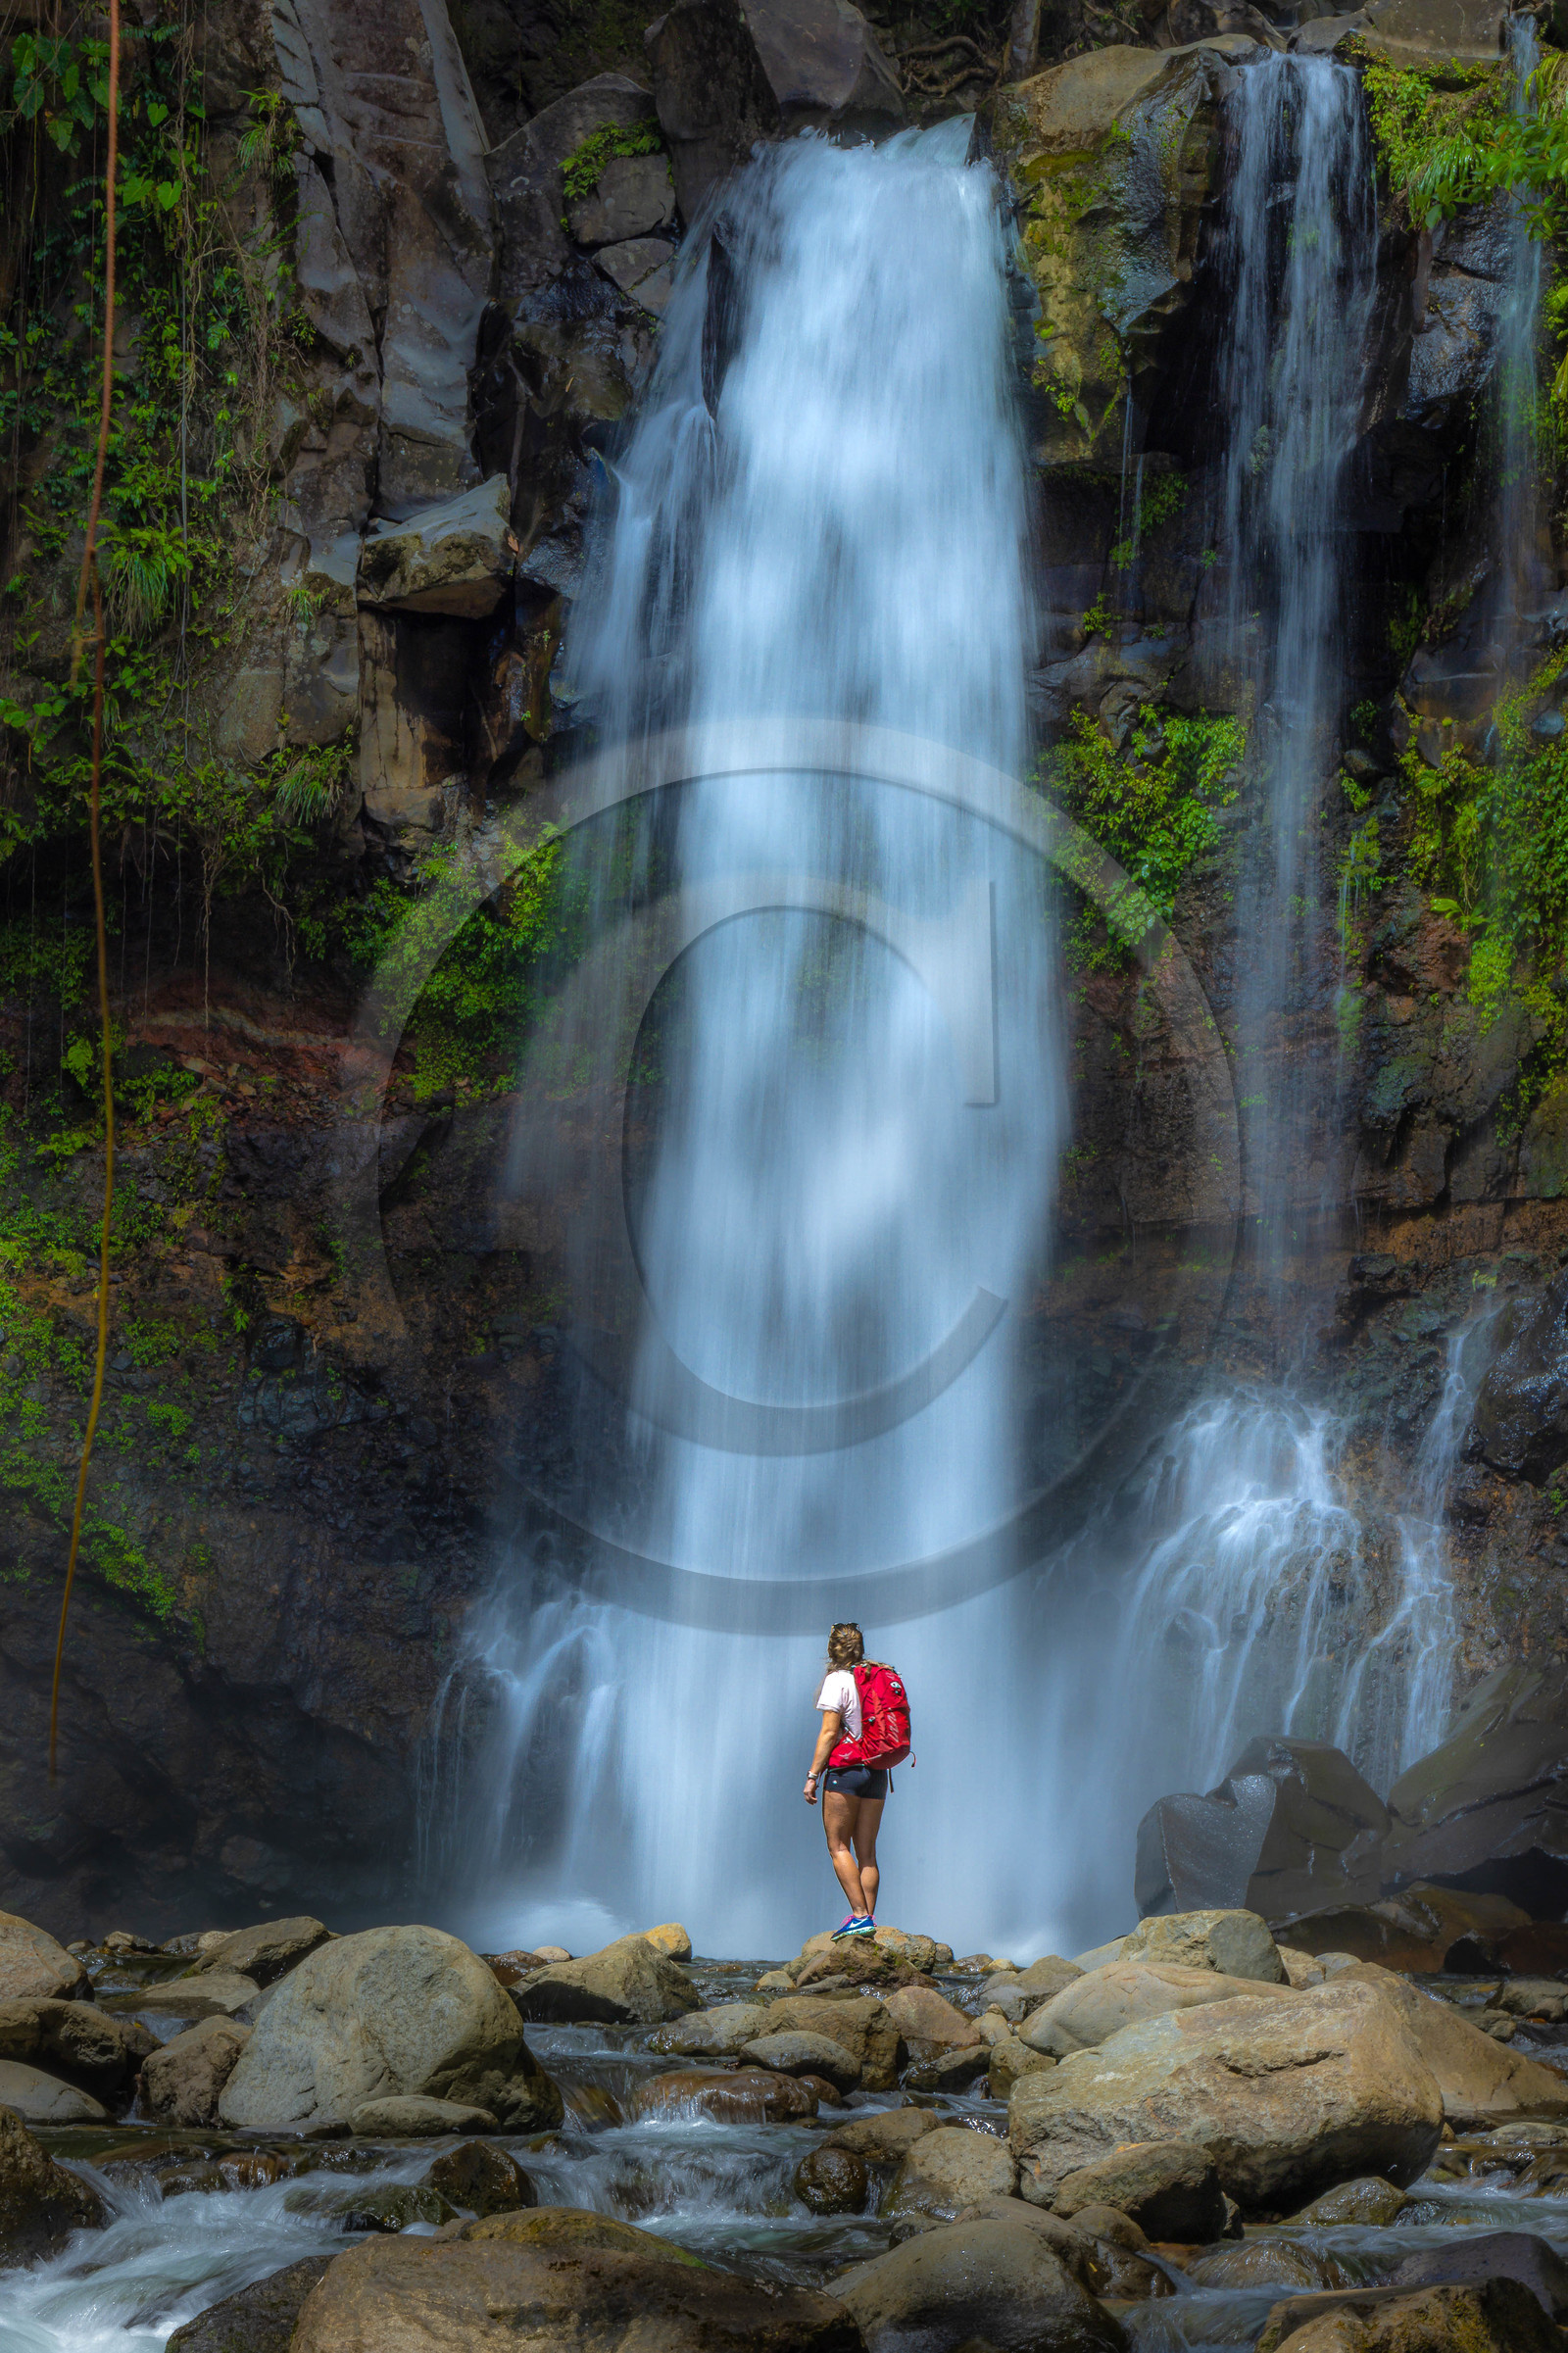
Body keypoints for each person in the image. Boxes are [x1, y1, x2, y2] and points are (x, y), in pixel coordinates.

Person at [804, 1621, 886, 1937]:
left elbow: (829, 1733)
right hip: (878, 1771)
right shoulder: (874, 1678)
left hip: (846, 1770)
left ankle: (859, 1915)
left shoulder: (837, 1680)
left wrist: (813, 1776)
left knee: (838, 1845)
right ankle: (869, 1921)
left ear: (831, 1651)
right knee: (867, 1851)